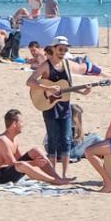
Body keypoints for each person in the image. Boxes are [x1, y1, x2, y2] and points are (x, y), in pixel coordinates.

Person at [29, 37, 79, 178]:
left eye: (65, 49)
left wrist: (84, 91)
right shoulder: (46, 65)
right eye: (60, 49)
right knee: (52, 139)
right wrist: (48, 88)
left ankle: (65, 173)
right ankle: (53, 174)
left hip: (65, 107)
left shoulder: (67, 65)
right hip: (49, 106)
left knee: (67, 139)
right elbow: (30, 81)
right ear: (54, 48)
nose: (63, 52)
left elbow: (67, 87)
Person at [0, 108, 72, 186]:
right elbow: (12, 163)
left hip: (10, 172)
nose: (23, 125)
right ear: (14, 124)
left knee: (35, 151)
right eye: (21, 122)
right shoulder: (2, 140)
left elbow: (19, 158)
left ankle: (57, 177)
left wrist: (35, 161)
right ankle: (54, 180)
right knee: (21, 164)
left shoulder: (14, 138)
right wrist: (34, 163)